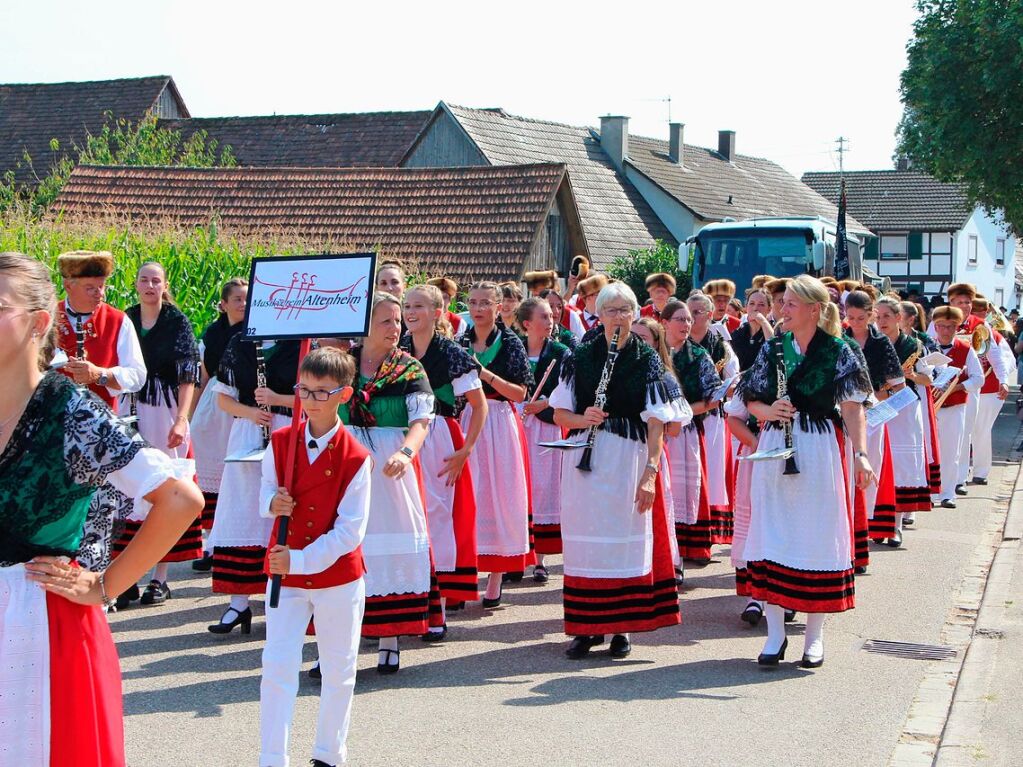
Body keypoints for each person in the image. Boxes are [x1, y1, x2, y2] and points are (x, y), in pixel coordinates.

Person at [0, 252, 202, 767]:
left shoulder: (70, 412)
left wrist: (106, 585)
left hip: (38, 625)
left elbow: (179, 498)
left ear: (38, 323)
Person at [738, 274, 874, 668]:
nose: (782, 310)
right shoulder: (772, 349)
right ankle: (776, 634)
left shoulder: (841, 350)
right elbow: (749, 397)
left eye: (791, 304)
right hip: (776, 445)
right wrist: (767, 411)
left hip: (817, 447)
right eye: (784, 304)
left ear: (814, 309)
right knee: (773, 533)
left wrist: (861, 455)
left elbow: (853, 408)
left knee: (816, 536)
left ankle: (814, 637)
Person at [550, 282, 691, 659]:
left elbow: (658, 423)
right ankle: (586, 628)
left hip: (627, 460)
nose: (617, 318)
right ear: (597, 315)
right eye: (609, 311)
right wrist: (583, 416)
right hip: (585, 460)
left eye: (623, 311)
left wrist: (650, 473)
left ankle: (622, 629)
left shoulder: (647, 361)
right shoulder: (577, 357)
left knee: (624, 540)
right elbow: (559, 412)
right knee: (586, 545)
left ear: (635, 314)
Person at [258, 347, 369, 767]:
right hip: (283, 573)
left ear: (344, 394)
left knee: (338, 669)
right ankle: (272, 757)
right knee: (277, 667)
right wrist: (274, 502)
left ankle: (329, 753)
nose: (310, 400)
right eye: (304, 390)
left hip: (336, 578)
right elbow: (263, 491)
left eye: (322, 392)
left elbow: (349, 532)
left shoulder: (357, 457)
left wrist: (300, 560)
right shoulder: (282, 441)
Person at [341, 292, 436, 673]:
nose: (396, 328)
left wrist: (406, 453)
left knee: (388, 546)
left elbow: (422, 421)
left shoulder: (409, 368)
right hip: (345, 463)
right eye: (386, 321)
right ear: (365, 327)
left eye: (398, 321)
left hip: (389, 468)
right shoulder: (340, 364)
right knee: (345, 545)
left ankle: (389, 639)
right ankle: (336, 648)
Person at [114, 262, 202, 607]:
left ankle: (159, 579)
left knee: (165, 488)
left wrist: (181, 419)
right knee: (126, 488)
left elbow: (188, 376)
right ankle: (126, 578)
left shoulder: (176, 321)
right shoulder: (126, 318)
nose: (150, 285)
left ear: (164, 285)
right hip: (128, 407)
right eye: (144, 280)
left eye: (156, 280)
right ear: (135, 284)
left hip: (163, 410)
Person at [54, 251, 147, 574]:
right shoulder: (47, 318)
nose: (100, 293)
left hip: (98, 432)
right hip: (52, 431)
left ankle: (94, 583)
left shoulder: (118, 320)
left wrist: (100, 374)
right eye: (91, 287)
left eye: (102, 286)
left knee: (97, 511)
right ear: (69, 285)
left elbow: (137, 376)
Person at [401, 284, 486, 634]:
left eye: (419, 305)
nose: (410, 312)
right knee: (406, 518)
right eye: (407, 305)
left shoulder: (451, 353)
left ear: (437, 313)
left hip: (440, 435)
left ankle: (437, 605)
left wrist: (465, 450)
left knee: (437, 515)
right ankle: (406, 600)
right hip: (402, 435)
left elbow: (479, 406)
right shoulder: (398, 350)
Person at [208, 335, 301, 634]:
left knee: (283, 510)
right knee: (243, 513)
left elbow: (316, 396)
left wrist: (276, 400)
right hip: (249, 432)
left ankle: (287, 603)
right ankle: (239, 603)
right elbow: (222, 398)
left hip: (288, 429)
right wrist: (251, 412)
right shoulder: (238, 343)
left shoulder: (301, 343)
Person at [460, 281, 534, 607]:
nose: (478, 309)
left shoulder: (510, 343)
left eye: (485, 303)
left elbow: (520, 393)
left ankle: (496, 574)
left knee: (499, 495)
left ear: (499, 305)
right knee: (467, 494)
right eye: (473, 302)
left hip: (499, 419)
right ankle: (462, 574)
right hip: (466, 419)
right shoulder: (459, 341)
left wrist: (484, 374)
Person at [191, 277, 249, 571]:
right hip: (214, 405)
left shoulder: (254, 333)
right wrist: (189, 415)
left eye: (246, 299)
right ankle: (211, 543)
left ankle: (230, 543)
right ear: (223, 304)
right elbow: (201, 378)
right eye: (237, 299)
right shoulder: (211, 336)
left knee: (235, 477)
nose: (242, 304)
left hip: (242, 402)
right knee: (210, 480)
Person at [843, 291, 902, 567]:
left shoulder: (880, 344)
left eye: (861, 317)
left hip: (874, 416)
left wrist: (880, 397)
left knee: (867, 479)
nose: (855, 322)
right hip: (843, 415)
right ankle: (846, 540)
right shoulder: (839, 338)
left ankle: (861, 538)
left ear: (871, 316)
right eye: (850, 317)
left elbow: (899, 385)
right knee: (844, 478)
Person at [517, 297, 572, 582]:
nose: (550, 321)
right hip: (518, 425)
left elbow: (568, 388)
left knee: (544, 489)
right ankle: (516, 555)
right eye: (544, 316)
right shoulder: (514, 349)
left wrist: (544, 403)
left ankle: (540, 559)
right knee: (518, 489)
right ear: (527, 323)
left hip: (547, 425)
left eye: (551, 316)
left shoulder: (560, 352)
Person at [668, 302, 722, 564]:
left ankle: (692, 548)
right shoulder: (654, 352)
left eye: (689, 320)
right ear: (664, 322)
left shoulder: (698, 355)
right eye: (680, 319)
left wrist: (684, 411)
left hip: (686, 430)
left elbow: (714, 396)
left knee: (688, 489)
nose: (686, 325)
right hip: (656, 430)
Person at [875, 297, 932, 542]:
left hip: (906, 408)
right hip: (878, 404)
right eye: (877, 317)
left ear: (899, 318)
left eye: (886, 316)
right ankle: (878, 524)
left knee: (900, 467)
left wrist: (912, 374)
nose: (881, 322)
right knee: (878, 464)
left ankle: (896, 525)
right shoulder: (872, 343)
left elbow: (929, 380)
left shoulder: (914, 345)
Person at [688, 292, 738, 548]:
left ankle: (707, 531)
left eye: (697, 312)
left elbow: (734, 382)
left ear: (709, 315)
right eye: (689, 312)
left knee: (711, 472)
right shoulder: (678, 341)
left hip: (710, 418)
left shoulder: (721, 346)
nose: (692, 317)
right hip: (683, 418)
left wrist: (718, 388)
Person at [930, 306, 984, 508]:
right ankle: (929, 492)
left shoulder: (965, 348)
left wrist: (958, 387)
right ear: (935, 327)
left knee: (952, 451)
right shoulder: (927, 346)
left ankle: (947, 493)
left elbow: (978, 379)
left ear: (957, 327)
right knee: (930, 451)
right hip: (931, 408)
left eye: (951, 326)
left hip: (955, 407)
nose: (946, 330)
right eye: (942, 326)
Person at [730, 288, 774, 371]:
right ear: (746, 307)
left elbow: (773, 350)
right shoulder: (739, 332)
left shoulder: (774, 329)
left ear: (769, 309)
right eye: (752, 303)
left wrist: (763, 322)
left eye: (761, 304)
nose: (755, 308)